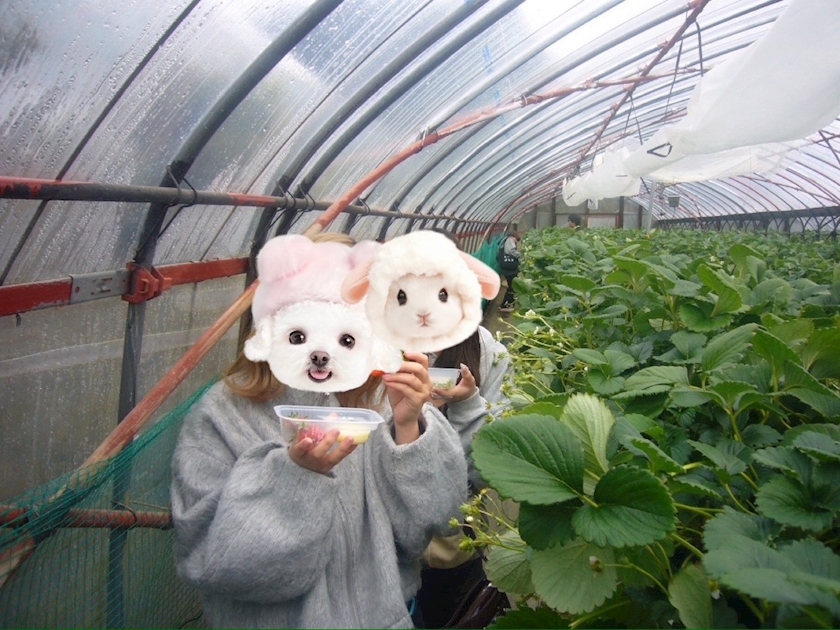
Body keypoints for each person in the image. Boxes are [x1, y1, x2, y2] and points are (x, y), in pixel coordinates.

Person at [170, 232, 468, 629]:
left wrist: (410, 426)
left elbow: (434, 522)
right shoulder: (223, 415)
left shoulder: (383, 398)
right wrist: (294, 477)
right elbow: (216, 565)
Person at [416, 231, 515, 628]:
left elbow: (493, 466)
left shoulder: (489, 352)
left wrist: (466, 405)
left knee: (446, 613)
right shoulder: (376, 346)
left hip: (452, 535)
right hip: (381, 537)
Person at [497, 231, 521, 312]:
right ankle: (505, 305)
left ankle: (507, 305)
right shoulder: (509, 240)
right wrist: (519, 255)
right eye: (516, 240)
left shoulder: (504, 241)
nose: (515, 242)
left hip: (506, 268)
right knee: (512, 286)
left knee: (512, 286)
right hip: (509, 269)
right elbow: (510, 251)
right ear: (514, 237)